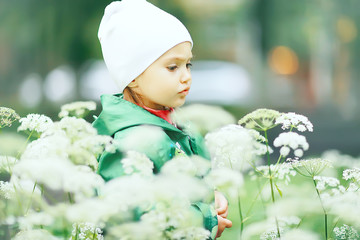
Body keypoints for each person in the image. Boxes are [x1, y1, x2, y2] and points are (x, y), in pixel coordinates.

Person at [93, 0, 232, 238]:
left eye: (188, 64)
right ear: (133, 76)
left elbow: (193, 180)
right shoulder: (126, 141)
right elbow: (135, 215)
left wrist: (212, 196)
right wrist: (203, 219)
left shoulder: (178, 124)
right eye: (172, 67)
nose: (186, 76)